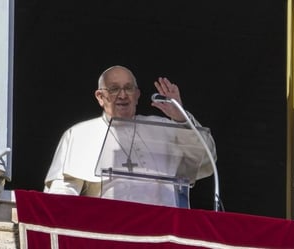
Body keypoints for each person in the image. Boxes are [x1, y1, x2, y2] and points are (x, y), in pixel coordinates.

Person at [44, 65, 216, 208]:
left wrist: (180, 117)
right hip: (110, 229)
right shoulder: (80, 133)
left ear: (137, 95)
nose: (123, 95)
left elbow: (205, 157)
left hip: (164, 229)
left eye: (128, 88)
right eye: (114, 89)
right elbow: (63, 190)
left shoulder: (164, 127)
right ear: (100, 97)